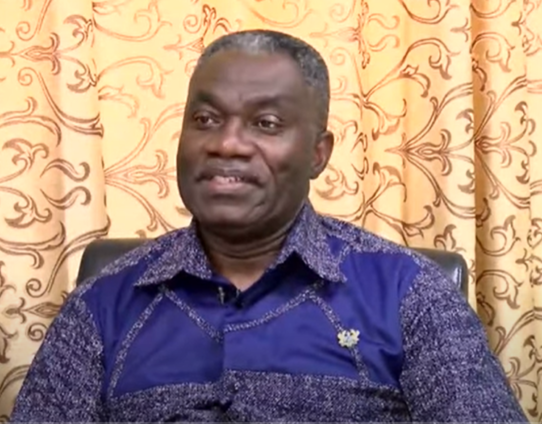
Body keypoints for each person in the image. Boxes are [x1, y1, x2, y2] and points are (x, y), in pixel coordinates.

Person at [10, 29, 527, 423]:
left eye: (266, 124)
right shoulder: (102, 305)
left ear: (318, 154)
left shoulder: (409, 294)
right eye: (205, 120)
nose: (226, 144)